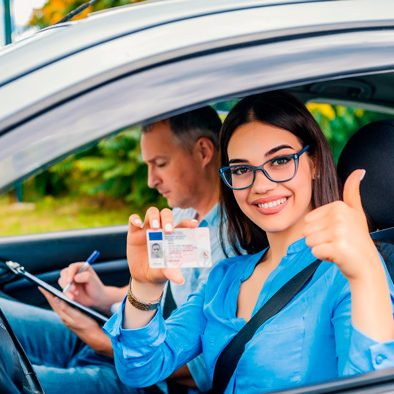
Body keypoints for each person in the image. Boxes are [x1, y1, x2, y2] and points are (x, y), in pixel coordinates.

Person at [104, 91, 394, 394]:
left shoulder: (350, 272)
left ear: (315, 163)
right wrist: (144, 287)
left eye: (280, 160)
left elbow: (376, 386)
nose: (262, 185)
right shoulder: (223, 278)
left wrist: (365, 272)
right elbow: (141, 369)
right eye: (242, 169)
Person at [0, 106, 229, 394]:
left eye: (160, 163)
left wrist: (99, 340)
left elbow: (203, 371)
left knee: (13, 384)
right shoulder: (183, 215)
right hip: (117, 336)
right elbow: (163, 293)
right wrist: (101, 295)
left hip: (145, 380)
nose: (151, 180)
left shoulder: (230, 246)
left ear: (204, 152)